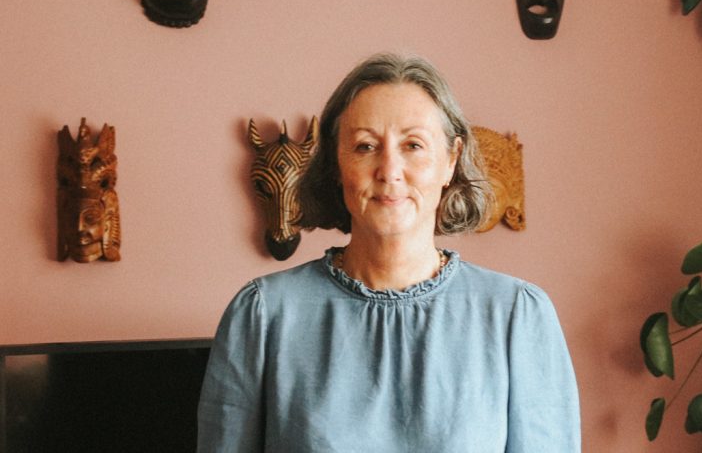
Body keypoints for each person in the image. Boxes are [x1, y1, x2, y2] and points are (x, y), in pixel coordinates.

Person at [197, 53, 581, 452]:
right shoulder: (263, 314)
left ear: (450, 160)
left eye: (413, 144)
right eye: (365, 146)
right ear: (334, 163)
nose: (389, 170)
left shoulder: (517, 316)